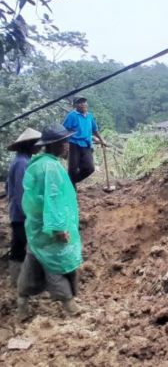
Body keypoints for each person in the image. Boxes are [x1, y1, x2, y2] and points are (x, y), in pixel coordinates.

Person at [17, 124, 83, 317]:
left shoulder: (37, 164)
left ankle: (22, 304)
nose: (68, 146)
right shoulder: (51, 167)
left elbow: (33, 198)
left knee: (33, 262)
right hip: (50, 229)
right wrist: (58, 228)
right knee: (57, 265)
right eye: (65, 142)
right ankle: (70, 305)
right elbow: (53, 199)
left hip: (36, 227)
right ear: (56, 144)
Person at [5, 128, 42, 287]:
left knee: (18, 248)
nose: (40, 146)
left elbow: (8, 187)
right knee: (36, 248)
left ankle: (15, 282)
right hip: (22, 215)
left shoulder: (20, 160)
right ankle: (31, 284)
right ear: (29, 145)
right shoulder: (23, 163)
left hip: (16, 214)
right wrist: (30, 215)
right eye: (37, 144)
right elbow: (22, 194)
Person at [62, 97, 106, 187]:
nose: (83, 104)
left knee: (90, 168)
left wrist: (102, 140)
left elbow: (95, 130)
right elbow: (64, 130)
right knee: (73, 169)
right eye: (79, 103)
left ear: (87, 104)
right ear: (75, 105)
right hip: (73, 144)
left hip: (86, 144)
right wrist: (65, 145)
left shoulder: (89, 116)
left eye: (84, 102)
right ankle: (71, 188)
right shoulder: (72, 116)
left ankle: (70, 182)